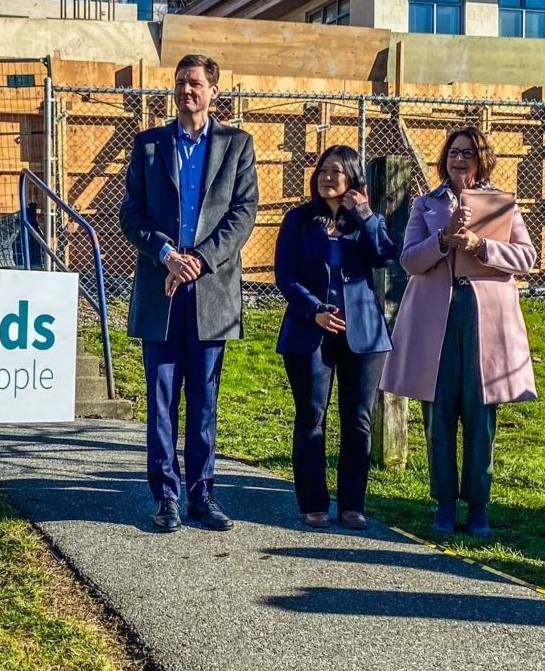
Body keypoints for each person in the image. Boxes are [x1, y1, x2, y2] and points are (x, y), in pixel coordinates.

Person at [119, 54, 259, 533]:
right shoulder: (149, 145)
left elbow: (243, 213)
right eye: (180, 82)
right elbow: (131, 215)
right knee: (161, 402)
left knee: (203, 401)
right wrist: (166, 254)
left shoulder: (238, 145)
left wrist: (198, 259)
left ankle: (203, 495)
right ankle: (166, 498)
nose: (186, 90)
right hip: (160, 291)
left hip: (210, 292)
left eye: (195, 83)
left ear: (214, 91)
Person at [380, 126, 536, 538]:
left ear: (481, 159)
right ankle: (444, 504)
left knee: (480, 415)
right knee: (440, 413)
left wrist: (480, 246)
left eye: (467, 152)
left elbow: (527, 258)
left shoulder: (502, 204)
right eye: (453, 152)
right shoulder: (425, 204)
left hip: (486, 321)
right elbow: (409, 261)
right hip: (436, 320)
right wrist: (444, 239)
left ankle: (479, 506)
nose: (459, 159)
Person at [274, 145, 396, 531]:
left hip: (364, 334)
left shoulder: (365, 220)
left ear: (353, 179)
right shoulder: (298, 219)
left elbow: (384, 255)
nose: (327, 177)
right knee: (311, 416)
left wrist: (366, 215)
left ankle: (352, 505)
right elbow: (285, 275)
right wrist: (315, 310)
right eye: (323, 169)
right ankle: (314, 503)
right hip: (310, 330)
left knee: (358, 420)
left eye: (337, 171)